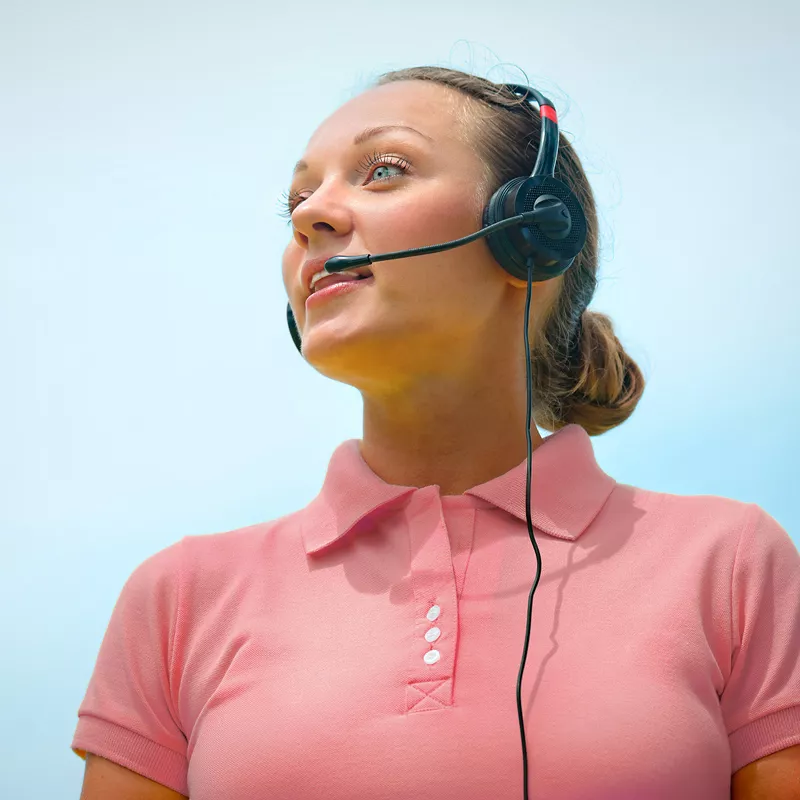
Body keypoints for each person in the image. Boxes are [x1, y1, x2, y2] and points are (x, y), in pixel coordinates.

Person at [72, 66, 800, 799]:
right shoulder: (178, 598)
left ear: (532, 231)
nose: (309, 217)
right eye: (296, 199)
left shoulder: (731, 563)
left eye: (383, 170)